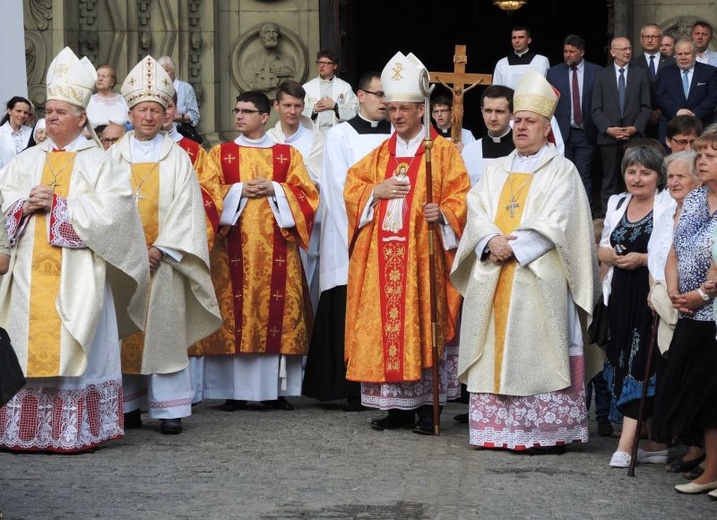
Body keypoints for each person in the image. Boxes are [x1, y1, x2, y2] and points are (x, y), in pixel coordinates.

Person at [0, 47, 149, 453]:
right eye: (47, 110)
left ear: (81, 118)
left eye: (60, 111)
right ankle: (22, 431)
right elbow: (2, 202)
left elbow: (117, 214)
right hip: (28, 279)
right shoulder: (23, 162)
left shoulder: (101, 163)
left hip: (78, 278)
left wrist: (61, 206)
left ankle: (72, 432)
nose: (50, 117)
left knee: (76, 346)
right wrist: (20, 207)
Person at [450, 68, 598, 453]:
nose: (520, 127)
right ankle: (497, 431)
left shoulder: (562, 171)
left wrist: (513, 246)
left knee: (540, 350)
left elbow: (559, 220)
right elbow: (477, 208)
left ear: (547, 127)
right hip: (494, 275)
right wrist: (488, 239)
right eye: (517, 120)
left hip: (539, 277)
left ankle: (546, 433)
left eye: (529, 121)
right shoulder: (497, 169)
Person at [343, 51, 469, 434]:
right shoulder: (379, 154)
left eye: (404, 109)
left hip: (422, 259)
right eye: (391, 108)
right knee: (387, 327)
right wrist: (374, 192)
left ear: (422, 110)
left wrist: (444, 213)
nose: (396, 115)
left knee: (421, 325)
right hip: (382, 258)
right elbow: (353, 188)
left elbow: (463, 196)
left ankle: (427, 410)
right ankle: (396, 408)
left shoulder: (442, 152)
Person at [110, 55, 222, 435]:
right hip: (125, 261)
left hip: (165, 262)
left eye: (155, 110)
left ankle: (169, 409)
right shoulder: (112, 156)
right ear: (131, 111)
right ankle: (126, 407)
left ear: (165, 115)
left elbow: (188, 210)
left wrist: (160, 248)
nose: (148, 117)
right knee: (124, 330)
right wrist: (130, 248)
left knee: (164, 334)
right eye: (142, 109)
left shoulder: (178, 157)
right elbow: (102, 205)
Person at [194, 91, 318, 412]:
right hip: (230, 248)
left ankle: (275, 392)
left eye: (247, 111)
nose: (239, 116)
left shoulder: (287, 155)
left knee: (271, 312)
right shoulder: (219, 154)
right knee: (234, 312)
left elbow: (308, 197)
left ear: (265, 117)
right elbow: (204, 195)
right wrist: (236, 190)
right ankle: (231, 391)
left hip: (277, 251)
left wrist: (275, 189)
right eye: (236, 110)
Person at [302, 70, 391, 411]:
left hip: (390, 238)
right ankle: (349, 387)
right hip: (350, 237)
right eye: (378, 94)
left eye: (388, 96)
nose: (385, 102)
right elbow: (338, 191)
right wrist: (357, 236)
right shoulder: (340, 135)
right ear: (360, 95)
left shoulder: (401, 137)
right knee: (346, 304)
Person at [597, 145, 674, 468]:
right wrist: (613, 257)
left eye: (645, 172)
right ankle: (655, 442)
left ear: (659, 176)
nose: (637, 178)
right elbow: (601, 249)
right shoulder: (616, 203)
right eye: (631, 172)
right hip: (618, 294)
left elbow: (669, 249)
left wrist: (642, 259)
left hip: (648, 295)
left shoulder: (667, 205)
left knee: (642, 365)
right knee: (619, 360)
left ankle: (626, 446)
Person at [651, 131, 717, 496]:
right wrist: (675, 289)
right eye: (701, 155)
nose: (701, 161)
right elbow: (676, 249)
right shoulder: (693, 199)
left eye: (711, 155)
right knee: (693, 391)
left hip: (712, 312)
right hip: (690, 309)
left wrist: (701, 293)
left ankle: (712, 470)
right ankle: (710, 464)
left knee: (710, 393)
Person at [266, 81, 323, 313]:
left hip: (308, 220)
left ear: (303, 106)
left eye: (297, 105)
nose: (292, 111)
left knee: (308, 282)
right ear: (276, 106)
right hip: (275, 219)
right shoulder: (268, 139)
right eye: (287, 105)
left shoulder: (316, 139)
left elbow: (320, 179)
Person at [592, 36, 652, 215]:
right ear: (612, 52)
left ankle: (634, 214)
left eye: (629, 48)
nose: (627, 52)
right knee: (609, 179)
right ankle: (607, 217)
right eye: (623, 49)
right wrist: (608, 129)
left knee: (635, 177)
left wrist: (635, 128)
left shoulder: (640, 74)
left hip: (633, 137)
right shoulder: (602, 75)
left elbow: (646, 106)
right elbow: (595, 108)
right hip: (608, 137)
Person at [547, 34, 603, 207]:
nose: (567, 55)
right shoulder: (554, 72)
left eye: (571, 51)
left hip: (586, 132)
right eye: (565, 51)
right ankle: (565, 209)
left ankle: (584, 210)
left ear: (582, 52)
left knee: (583, 173)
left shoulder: (597, 72)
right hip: (563, 133)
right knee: (563, 174)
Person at [654, 38, 717, 143]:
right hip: (671, 127)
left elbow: (713, 97)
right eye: (679, 54)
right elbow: (660, 96)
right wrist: (677, 111)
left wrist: (694, 114)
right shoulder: (665, 73)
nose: (683, 57)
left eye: (686, 54)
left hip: (701, 126)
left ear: (695, 54)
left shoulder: (710, 72)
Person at [461, 85, 514, 186]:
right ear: (482, 111)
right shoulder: (469, 151)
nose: (493, 118)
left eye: (499, 111)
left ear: (512, 114)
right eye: (488, 111)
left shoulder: (522, 151)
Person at [302, 50, 359, 135]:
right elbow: (298, 110)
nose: (321, 66)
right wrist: (313, 109)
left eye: (326, 63)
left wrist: (335, 106)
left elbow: (355, 110)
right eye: (320, 62)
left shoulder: (344, 87)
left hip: (337, 133)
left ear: (335, 66)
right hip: (314, 134)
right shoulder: (307, 87)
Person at [244, 22, 297, 93]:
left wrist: (291, 73)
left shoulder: (288, 58)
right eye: (267, 32)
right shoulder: (252, 59)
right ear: (262, 37)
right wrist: (259, 87)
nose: (271, 36)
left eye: (274, 32)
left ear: (277, 36)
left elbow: (295, 82)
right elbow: (248, 83)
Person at [492, 25, 550, 90]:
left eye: (521, 37)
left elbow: (545, 89)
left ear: (529, 40)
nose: (517, 41)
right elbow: (496, 90)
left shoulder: (541, 61)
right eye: (514, 38)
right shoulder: (502, 63)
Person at [158, 56, 201, 128]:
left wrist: (175, 117)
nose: (163, 74)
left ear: (173, 71)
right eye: (160, 71)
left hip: (180, 132)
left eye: (166, 71)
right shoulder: (155, 89)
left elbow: (195, 116)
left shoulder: (186, 88)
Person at [0, 96, 33, 168]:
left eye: (25, 112)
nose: (22, 115)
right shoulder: (1, 133)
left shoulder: (31, 133)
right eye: (18, 111)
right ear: (9, 111)